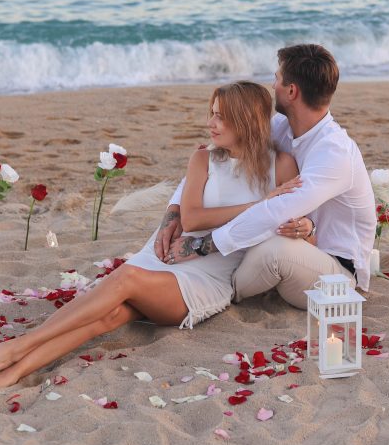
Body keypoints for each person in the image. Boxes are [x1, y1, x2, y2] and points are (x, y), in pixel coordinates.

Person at [0, 81, 299, 396]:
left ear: (245, 121)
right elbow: (192, 217)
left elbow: (290, 221)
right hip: (160, 259)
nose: (211, 122)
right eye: (211, 113)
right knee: (107, 317)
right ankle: (10, 373)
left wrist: (274, 209)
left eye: (221, 117)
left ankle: (14, 349)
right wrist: (259, 204)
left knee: (125, 279)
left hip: (205, 279)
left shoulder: (280, 166)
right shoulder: (203, 158)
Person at [161, 44, 377, 308]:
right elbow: (215, 158)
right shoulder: (281, 127)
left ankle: (216, 289)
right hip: (296, 245)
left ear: (291, 91)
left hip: (336, 271)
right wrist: (174, 210)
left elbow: (276, 210)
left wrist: (201, 246)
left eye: (276, 78)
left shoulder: (334, 152)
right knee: (263, 242)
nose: (272, 85)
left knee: (273, 250)